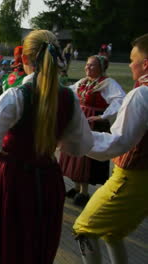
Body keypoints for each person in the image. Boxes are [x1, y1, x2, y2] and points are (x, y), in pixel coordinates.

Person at [0, 29, 93, 264]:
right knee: (35, 247)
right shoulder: (69, 97)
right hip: (47, 182)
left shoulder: (17, 96)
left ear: (25, 59)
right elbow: (79, 146)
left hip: (11, 181)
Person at [73, 33, 148, 264]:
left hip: (132, 177)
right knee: (111, 232)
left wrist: (75, 138)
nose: (129, 65)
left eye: (132, 60)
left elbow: (119, 141)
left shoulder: (142, 93)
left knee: (83, 228)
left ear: (145, 64)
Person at [59, 55, 125, 206]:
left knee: (86, 157)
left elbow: (120, 99)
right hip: (81, 120)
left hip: (93, 122)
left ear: (101, 68)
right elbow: (69, 92)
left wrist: (104, 116)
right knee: (75, 154)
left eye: (92, 66)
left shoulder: (108, 83)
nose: (87, 68)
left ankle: (84, 191)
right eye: (87, 65)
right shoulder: (83, 82)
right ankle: (75, 187)